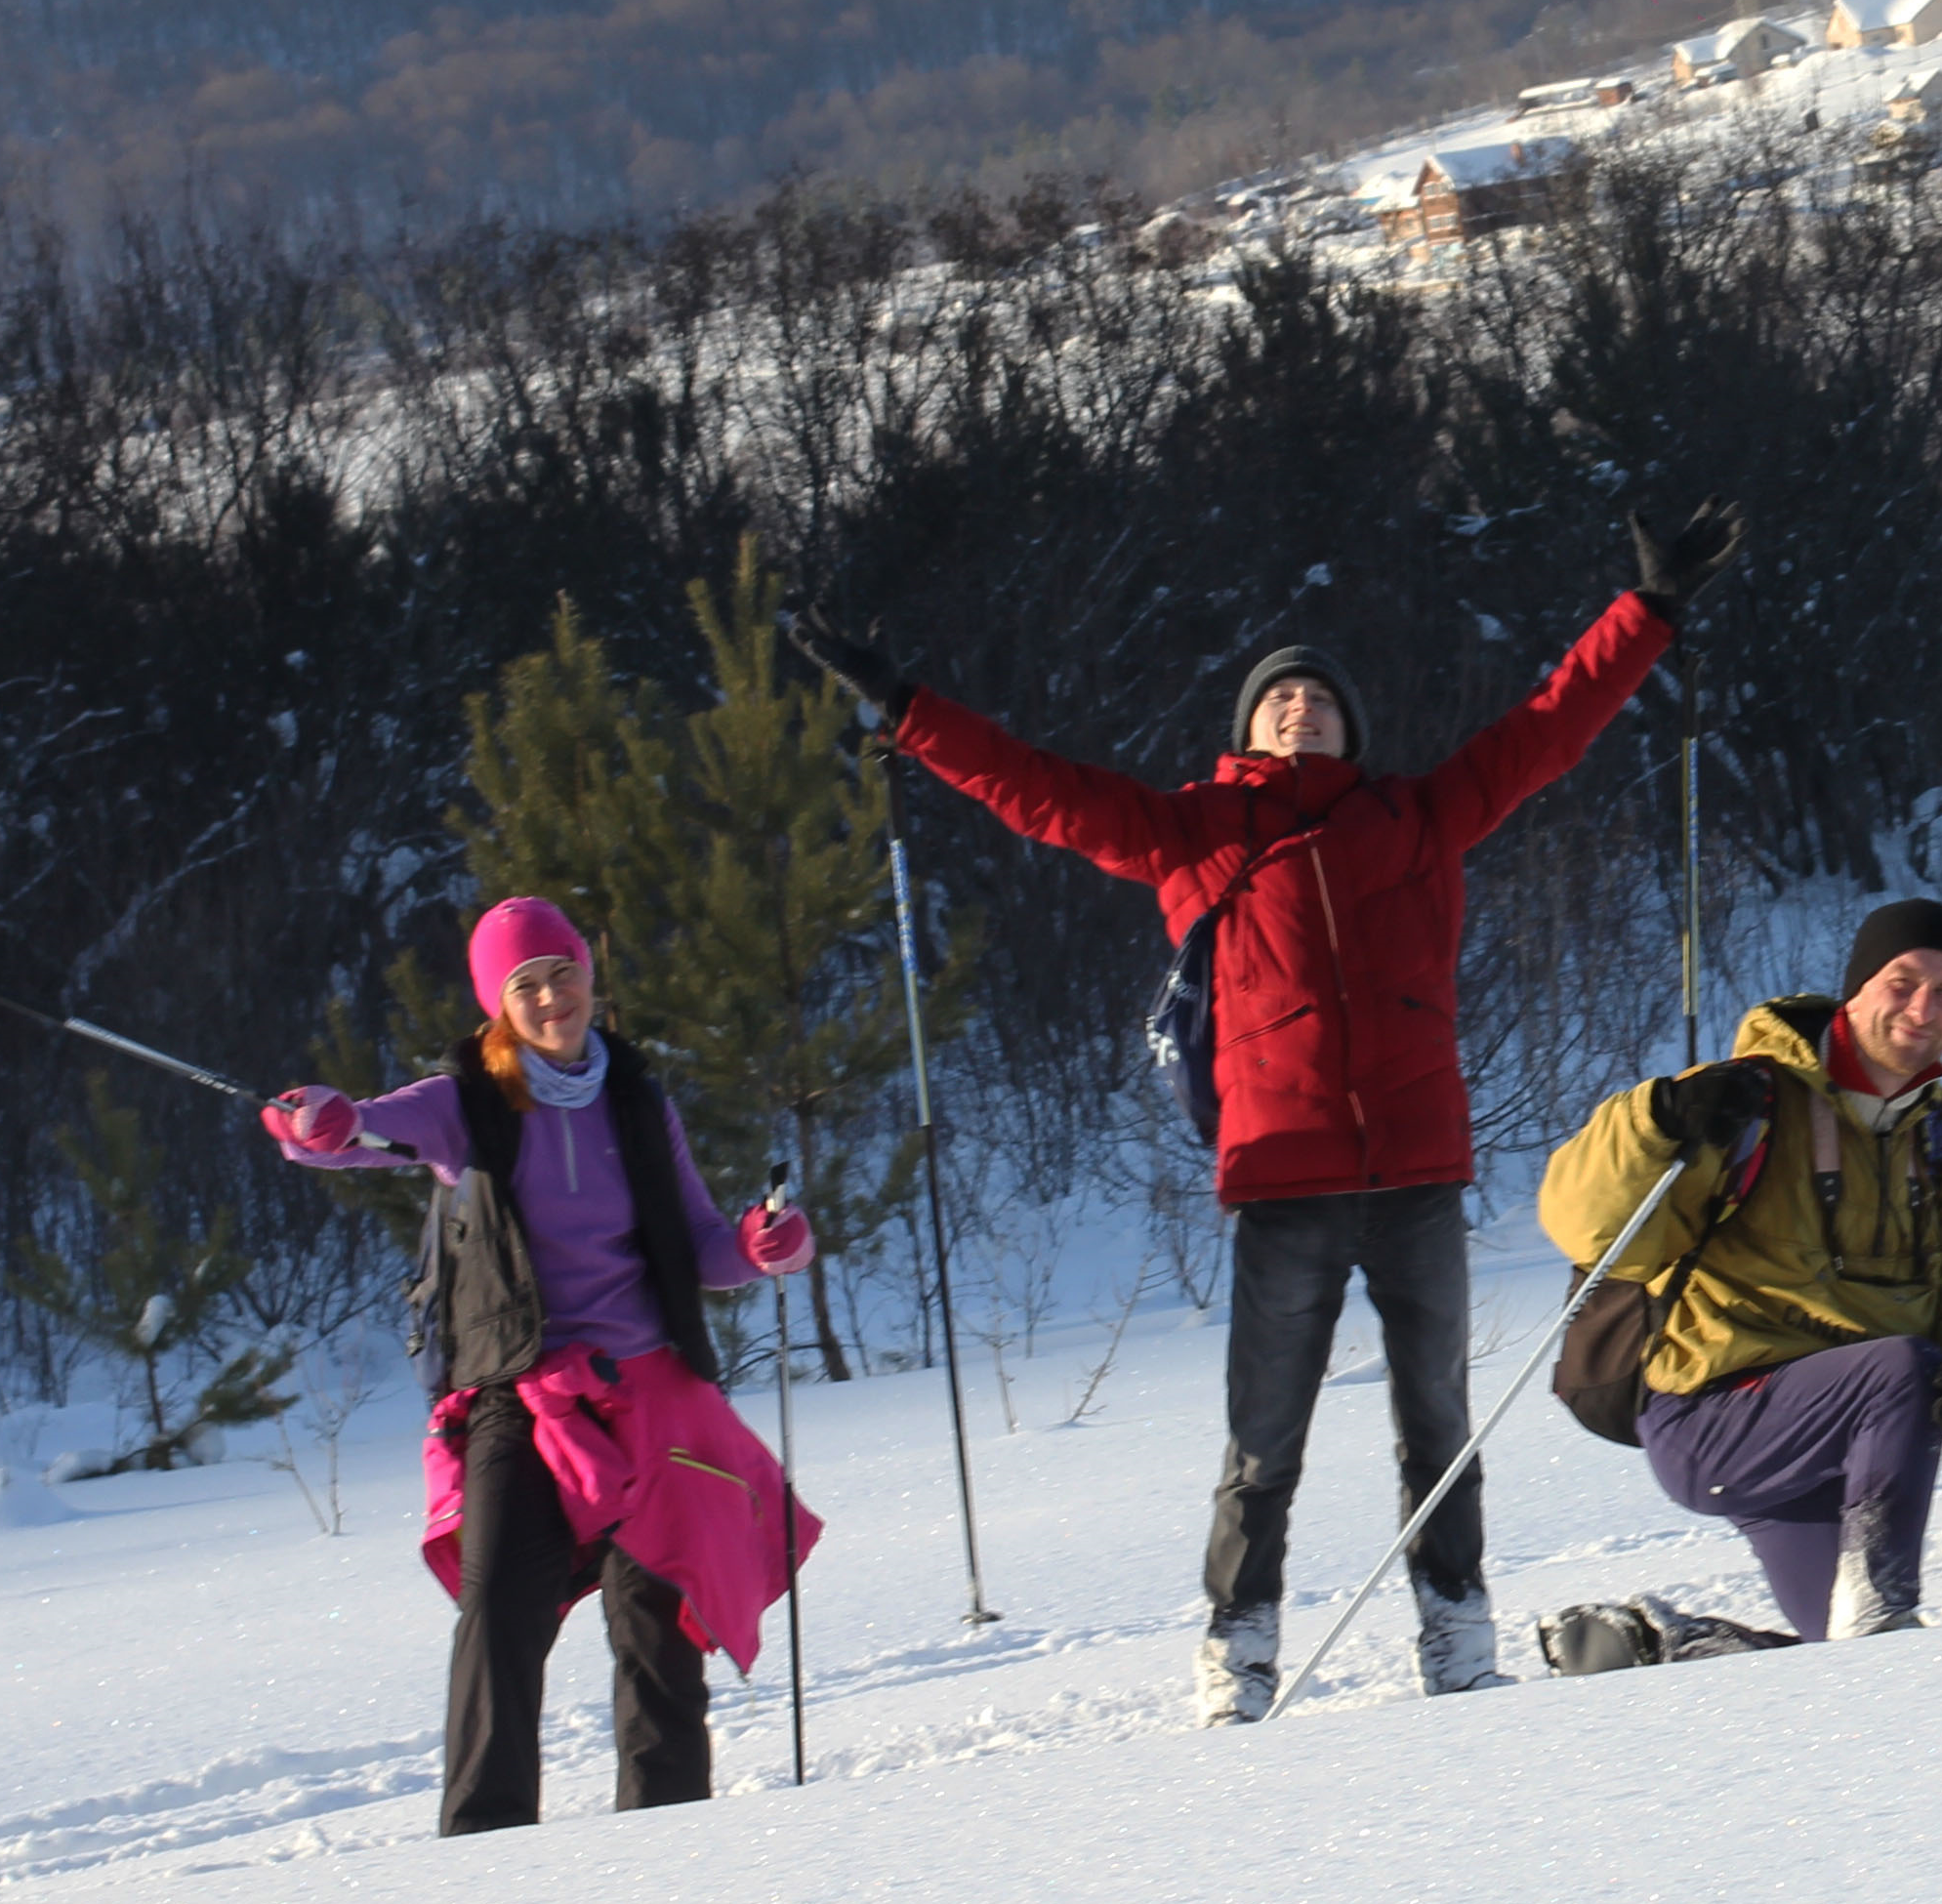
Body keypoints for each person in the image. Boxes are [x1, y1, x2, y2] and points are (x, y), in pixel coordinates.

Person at [783, 503, 1737, 1721]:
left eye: (1320, 699)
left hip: (1414, 1174)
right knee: (1262, 1442)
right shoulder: (1192, 831)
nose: (1300, 707)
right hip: (1281, 1173)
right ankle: (1237, 1651)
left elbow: (1551, 727)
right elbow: (1033, 788)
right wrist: (905, 709)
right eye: (1279, 699)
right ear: (1246, 729)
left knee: (1436, 1423)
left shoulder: (1418, 814)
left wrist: (1645, 610)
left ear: (1351, 727)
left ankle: (1455, 1637)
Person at [264, 897, 824, 1837]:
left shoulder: (638, 1098)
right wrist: (318, 1123)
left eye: (562, 971)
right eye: (526, 984)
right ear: (498, 1003)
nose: (552, 995)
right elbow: (363, 1132)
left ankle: (670, 1845)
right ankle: (484, 1852)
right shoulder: (465, 1103)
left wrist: (766, 1247)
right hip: (519, 1396)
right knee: (498, 1618)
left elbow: (699, 1247)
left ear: (588, 973)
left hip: (654, 1397)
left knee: (657, 1633)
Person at [1538, 899, 1942, 1641]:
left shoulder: (1940, 1131)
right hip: (1714, 1415)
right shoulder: (1750, 1099)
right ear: (1858, 987)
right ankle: (1881, 1604)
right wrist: (1658, 1119)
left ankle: (1663, 1650)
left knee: (1848, 1669)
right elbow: (1586, 1225)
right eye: (1902, 983)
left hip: (1838, 1444)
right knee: (1902, 1375)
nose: (1922, 1008)